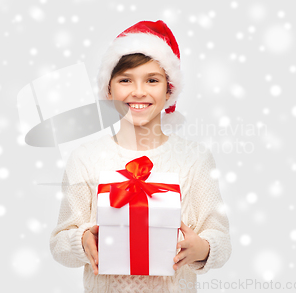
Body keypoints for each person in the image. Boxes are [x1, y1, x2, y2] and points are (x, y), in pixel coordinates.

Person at [49, 20, 232, 292]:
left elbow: (221, 239)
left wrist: (202, 248)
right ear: (108, 89)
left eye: (152, 80)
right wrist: (82, 241)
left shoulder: (194, 158)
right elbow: (59, 244)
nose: (138, 91)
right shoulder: (85, 158)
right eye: (125, 80)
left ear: (169, 90)